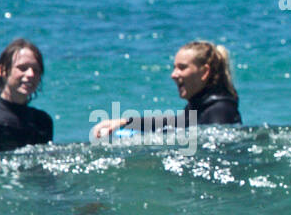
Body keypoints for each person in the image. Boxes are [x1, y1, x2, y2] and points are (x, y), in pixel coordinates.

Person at [90, 40, 241, 141]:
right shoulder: (201, 108)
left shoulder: (219, 111)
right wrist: (124, 122)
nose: (173, 75)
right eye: (174, 68)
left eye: (182, 68)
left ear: (204, 72)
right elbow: (174, 123)